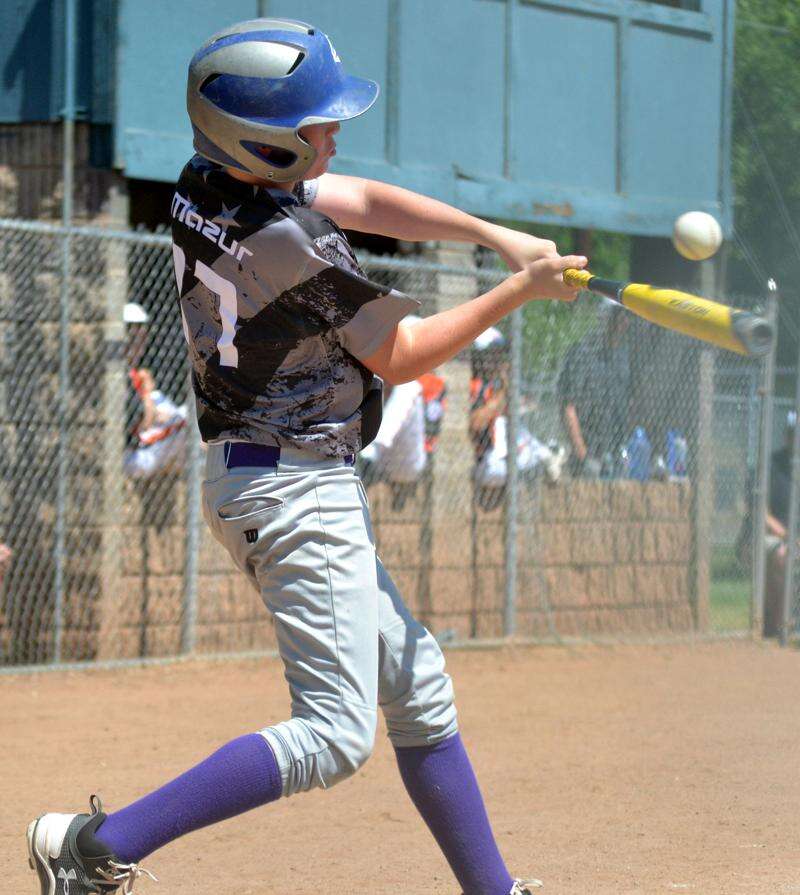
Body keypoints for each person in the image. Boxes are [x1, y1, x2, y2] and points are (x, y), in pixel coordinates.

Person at [27, 19, 587, 895]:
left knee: (418, 689)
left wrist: (495, 234)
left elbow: (358, 198)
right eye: (314, 125)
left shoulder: (205, 180)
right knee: (333, 734)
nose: (334, 133)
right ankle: (96, 844)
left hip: (264, 471)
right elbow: (400, 356)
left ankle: (494, 891)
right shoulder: (288, 243)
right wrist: (517, 288)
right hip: (294, 486)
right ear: (264, 143)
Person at [470, 328, 564, 510]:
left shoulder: (493, 384)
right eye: (492, 355)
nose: (499, 361)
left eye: (499, 355)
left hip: (498, 464)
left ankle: (542, 456)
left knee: (515, 423)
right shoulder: (477, 384)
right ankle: (543, 456)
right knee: (505, 423)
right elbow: (476, 422)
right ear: (481, 356)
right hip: (485, 465)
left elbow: (521, 407)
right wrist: (504, 392)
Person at [737, 412, 797, 638]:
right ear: (787, 435)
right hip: (770, 537)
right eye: (793, 433)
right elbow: (758, 510)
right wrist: (787, 534)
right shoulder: (770, 466)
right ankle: (780, 627)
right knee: (783, 555)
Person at [557, 300, 631, 477]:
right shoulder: (582, 353)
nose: (625, 321)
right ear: (605, 318)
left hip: (614, 450)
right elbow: (568, 406)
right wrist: (583, 455)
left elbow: (629, 403)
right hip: (588, 451)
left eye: (626, 316)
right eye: (619, 316)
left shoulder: (622, 355)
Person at [123, 302, 188, 480]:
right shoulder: (122, 376)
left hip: (143, 451)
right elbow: (145, 422)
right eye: (133, 333)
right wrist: (146, 392)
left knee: (165, 403)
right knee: (187, 418)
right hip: (132, 458)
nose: (139, 338)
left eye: (141, 332)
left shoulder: (135, 373)